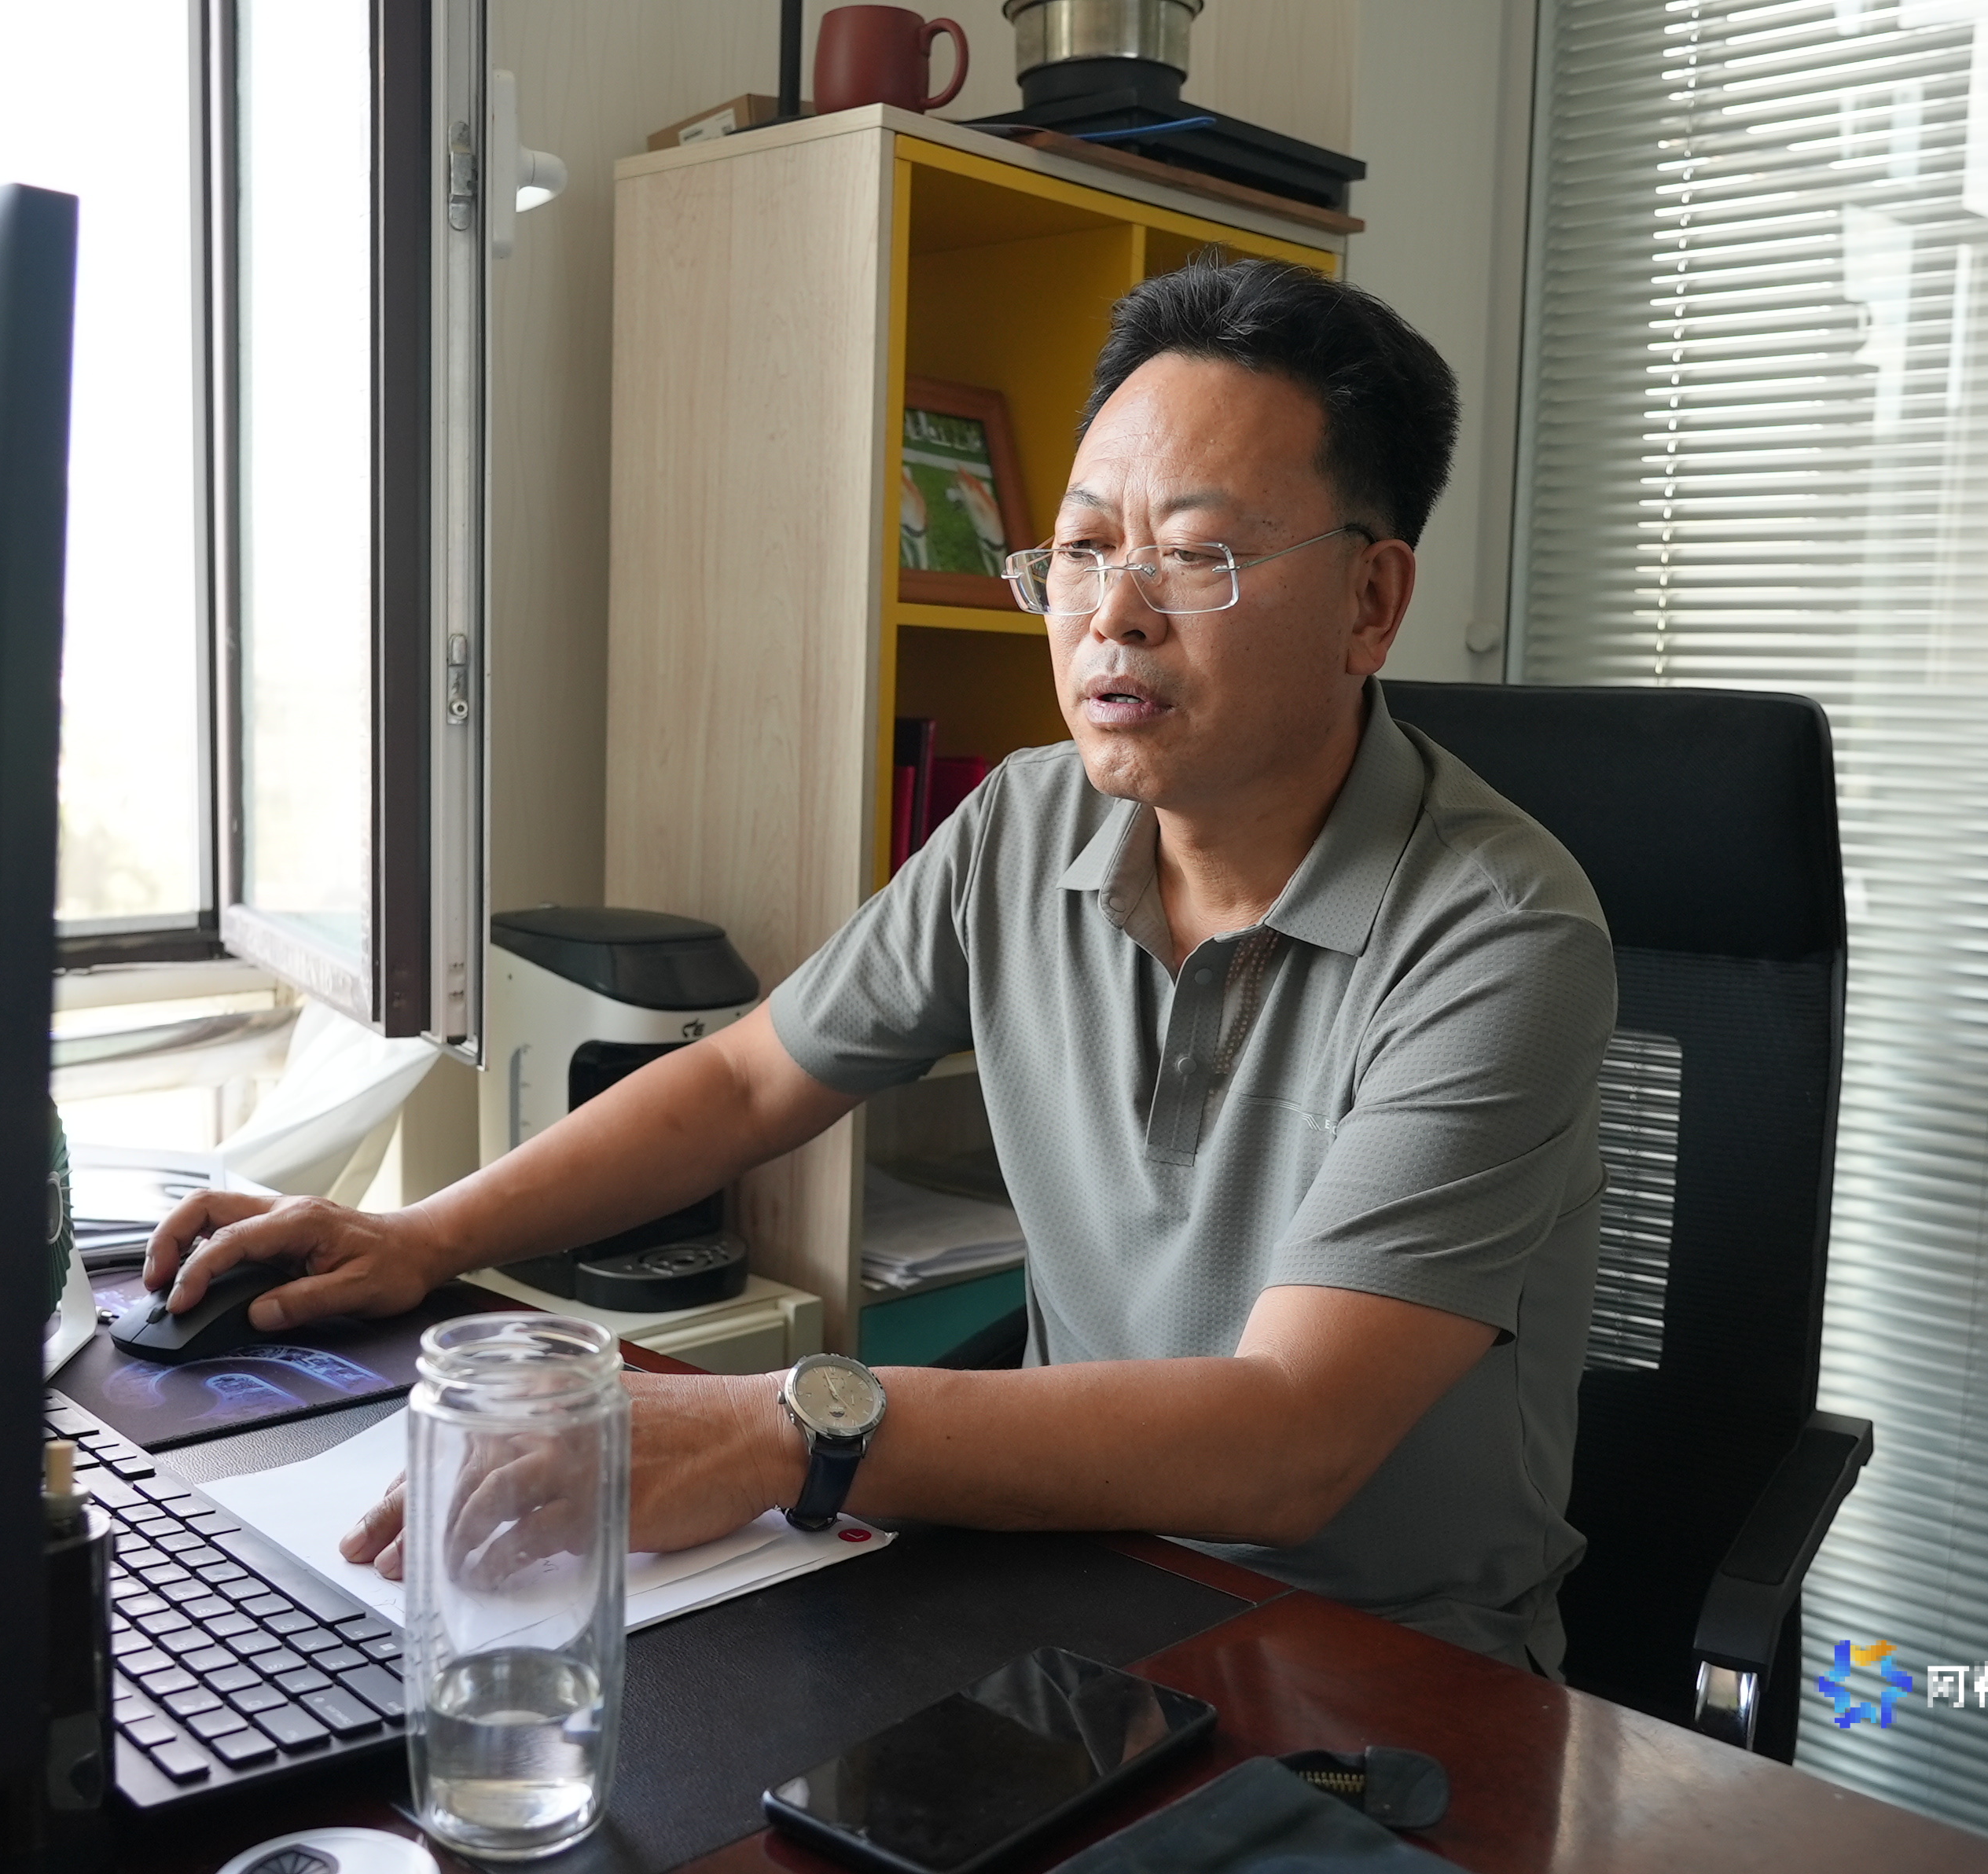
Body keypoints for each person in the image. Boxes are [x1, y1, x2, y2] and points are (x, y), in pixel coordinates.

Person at [145, 259, 1617, 1674]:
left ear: (1371, 602)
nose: (1114, 612)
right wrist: (422, 1236)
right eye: (1084, 547)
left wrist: (775, 1427)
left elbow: (1291, 1438)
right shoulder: (1026, 823)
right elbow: (747, 1079)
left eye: (1195, 553)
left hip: (1384, 1680)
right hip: (1068, 1585)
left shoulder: (1500, 935)